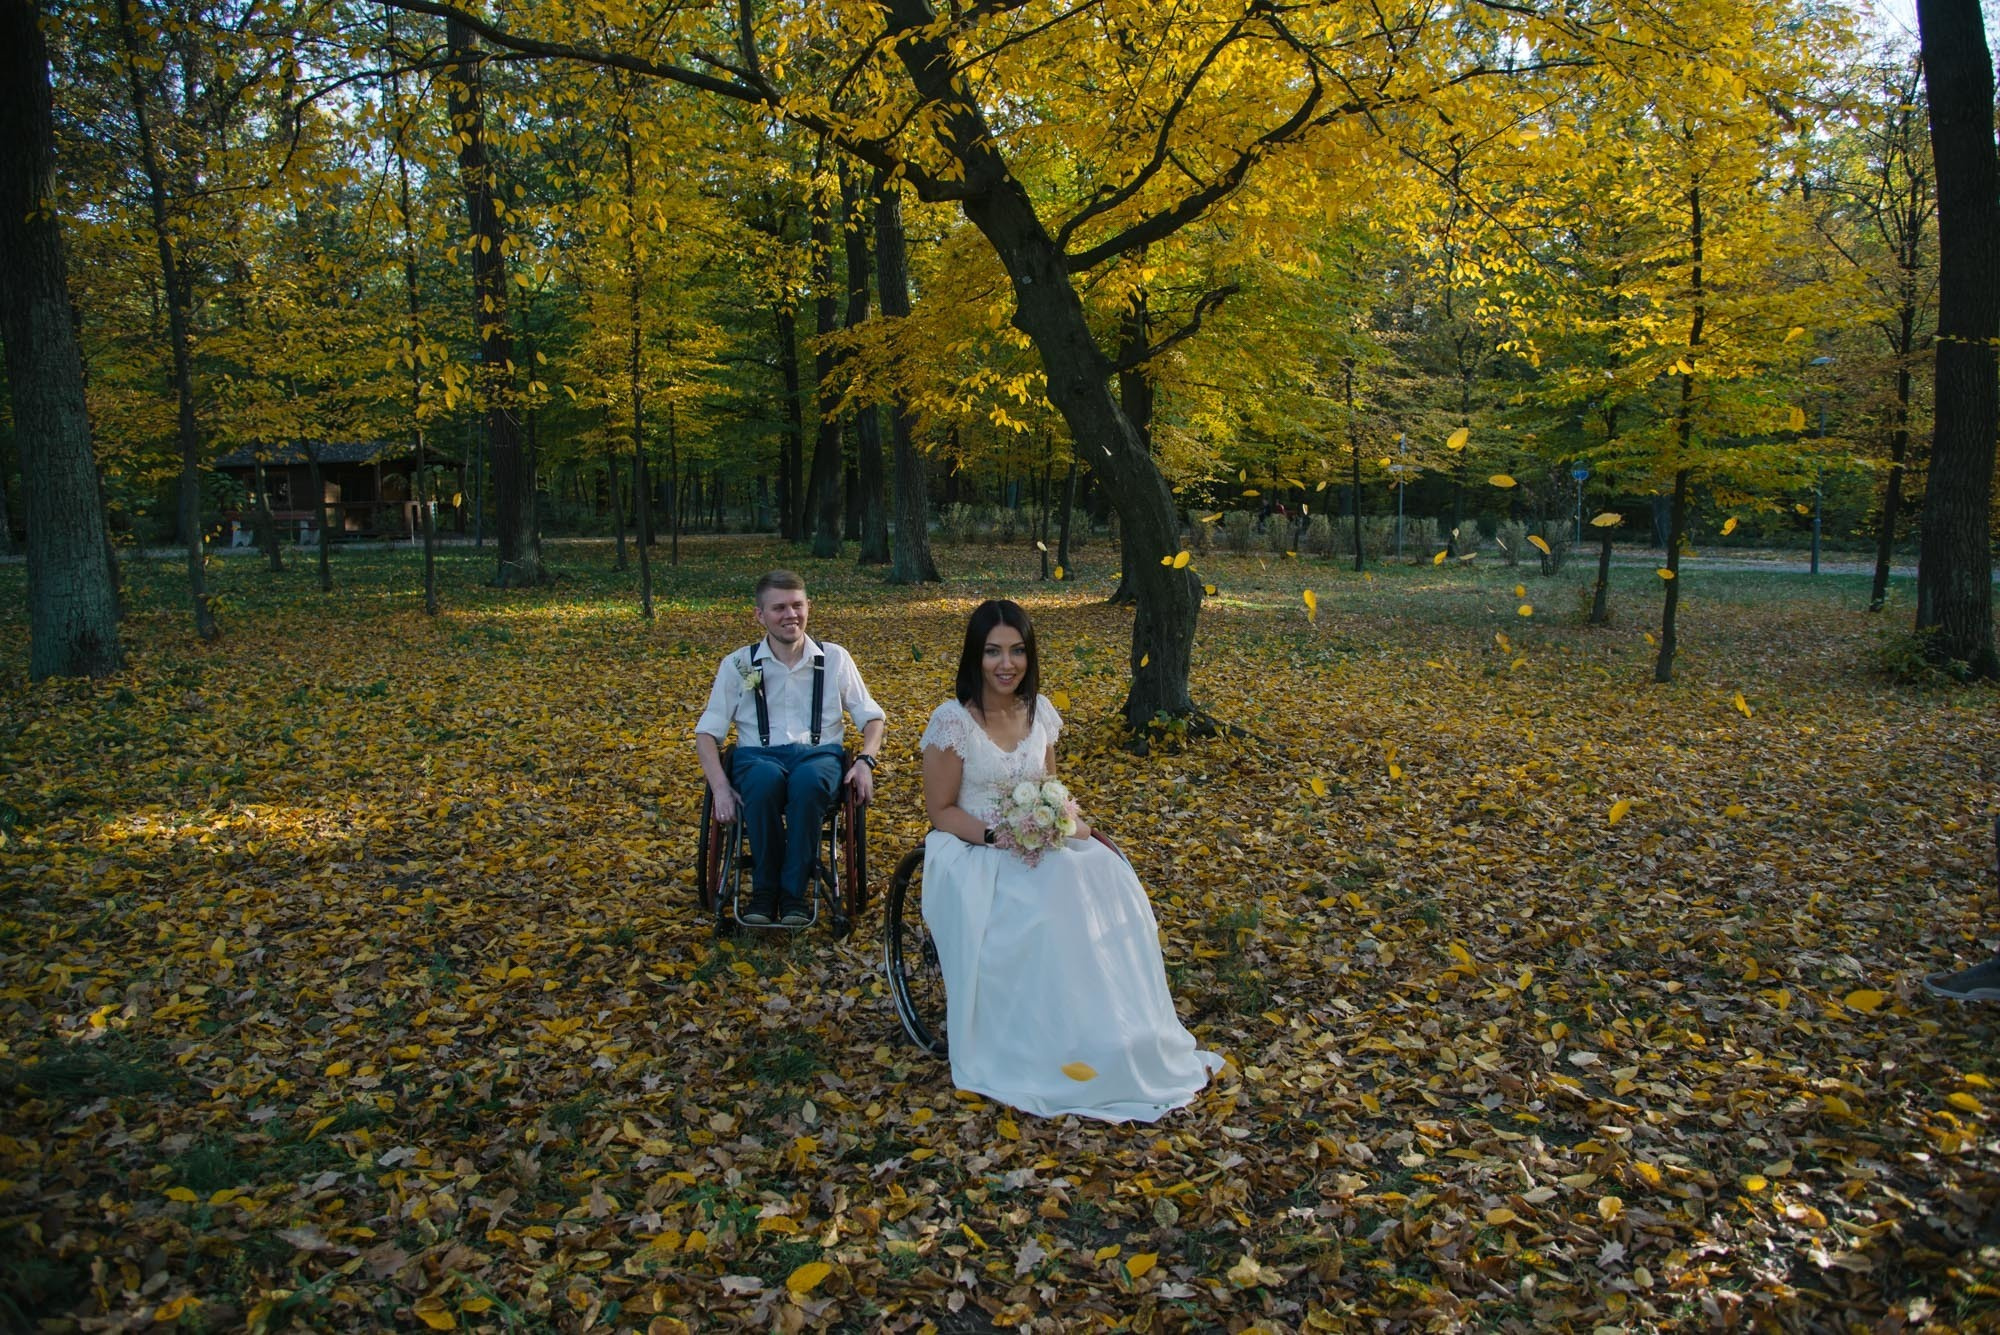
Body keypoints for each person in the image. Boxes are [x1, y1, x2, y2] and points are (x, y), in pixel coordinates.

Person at [917, 599, 1221, 1122]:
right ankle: (1042, 1039)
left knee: (1105, 876)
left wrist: (1056, 817)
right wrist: (999, 835)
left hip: (1035, 835)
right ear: (976, 656)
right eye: (993, 652)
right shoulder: (953, 722)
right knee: (1047, 899)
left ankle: (1109, 1029)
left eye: (1016, 652)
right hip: (972, 844)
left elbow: (1049, 785)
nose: (1006, 664)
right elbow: (941, 811)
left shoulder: (1039, 712)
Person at [696, 570, 884, 926]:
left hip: (819, 756)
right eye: (778, 607)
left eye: (797, 605)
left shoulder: (836, 659)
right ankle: (765, 892)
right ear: (760, 615)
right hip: (757, 758)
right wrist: (720, 787)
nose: (790, 615)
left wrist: (865, 761)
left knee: (809, 783)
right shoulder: (738, 664)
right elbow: (707, 733)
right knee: (764, 782)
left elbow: (872, 717)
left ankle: (794, 894)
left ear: (809, 607)